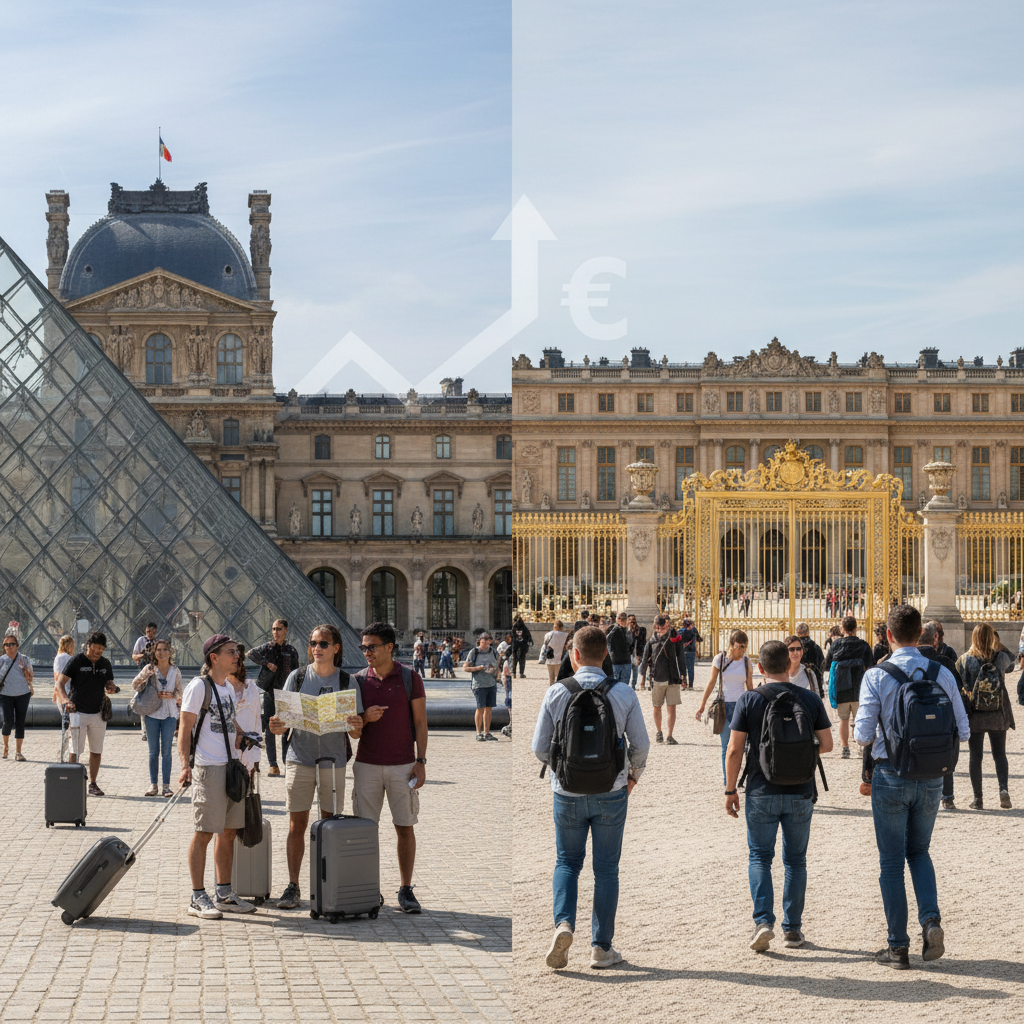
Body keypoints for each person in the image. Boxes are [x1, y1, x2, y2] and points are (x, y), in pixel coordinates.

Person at [854, 605, 970, 968]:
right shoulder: (942, 672)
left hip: (890, 774)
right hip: (933, 776)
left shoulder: (876, 675)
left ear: (888, 635)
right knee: (919, 852)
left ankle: (897, 947)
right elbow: (964, 730)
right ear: (922, 632)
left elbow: (861, 735)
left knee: (891, 862)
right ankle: (931, 921)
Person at [532, 625, 650, 970]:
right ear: (607, 656)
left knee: (567, 862)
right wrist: (631, 776)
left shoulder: (556, 692)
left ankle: (564, 924)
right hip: (611, 790)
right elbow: (641, 745)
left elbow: (539, 748)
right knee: (607, 869)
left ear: (575, 655)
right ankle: (601, 947)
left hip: (566, 791)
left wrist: (560, 772)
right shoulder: (624, 693)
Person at [725, 639, 833, 952]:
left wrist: (730, 789)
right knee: (796, 861)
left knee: (760, 856)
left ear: (760, 668)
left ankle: (763, 922)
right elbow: (826, 745)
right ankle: (793, 930)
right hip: (800, 789)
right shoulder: (810, 699)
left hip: (761, 788)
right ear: (789, 665)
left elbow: (734, 750)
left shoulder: (750, 699)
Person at [268, 624, 363, 910]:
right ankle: (293, 885)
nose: (317, 649)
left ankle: (327, 884)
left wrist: (357, 726)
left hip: (333, 762)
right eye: (313, 643)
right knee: (297, 825)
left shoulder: (348, 681)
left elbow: (356, 733)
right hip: (300, 758)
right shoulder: (296, 678)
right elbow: (280, 723)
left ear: (336, 648)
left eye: (323, 644)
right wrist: (275, 725)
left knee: (329, 825)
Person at [177, 634, 256, 919]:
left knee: (229, 832)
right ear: (214, 657)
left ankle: (224, 893)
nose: (237, 657)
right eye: (231, 652)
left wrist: (244, 738)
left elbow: (227, 721)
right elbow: (184, 728)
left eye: (236, 651)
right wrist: (185, 766)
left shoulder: (226, 688)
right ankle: (197, 896)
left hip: (230, 766)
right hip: (208, 768)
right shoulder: (199, 687)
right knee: (204, 832)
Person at [353, 622, 428, 914]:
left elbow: (421, 723)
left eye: (371, 647)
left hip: (403, 765)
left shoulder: (410, 678)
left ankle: (406, 889)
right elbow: (353, 732)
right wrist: (364, 720)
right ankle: (368, 888)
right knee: (365, 831)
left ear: (389, 648)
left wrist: (421, 762)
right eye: (363, 647)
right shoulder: (357, 680)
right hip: (366, 765)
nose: (366, 652)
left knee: (405, 827)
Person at [955, 624, 1015, 810]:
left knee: (975, 756)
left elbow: (961, 680)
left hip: (976, 714)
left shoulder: (965, 659)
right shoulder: (1001, 657)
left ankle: (978, 798)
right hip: (998, 712)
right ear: (992, 638)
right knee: (999, 754)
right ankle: (1003, 790)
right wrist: (999, 644)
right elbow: (1012, 665)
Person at [56, 631, 117, 796]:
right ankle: (72, 784)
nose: (98, 652)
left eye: (101, 650)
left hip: (98, 713)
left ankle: (93, 784)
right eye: (96, 648)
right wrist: (65, 701)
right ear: (88, 646)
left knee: (97, 750)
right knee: (75, 750)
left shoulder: (105, 663)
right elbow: (60, 684)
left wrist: (111, 687)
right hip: (78, 712)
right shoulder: (77, 661)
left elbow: (108, 681)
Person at [915, 622, 966, 810]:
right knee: (945, 757)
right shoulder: (945, 663)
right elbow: (958, 691)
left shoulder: (907, 661)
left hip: (916, 718)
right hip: (943, 718)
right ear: (935, 638)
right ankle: (947, 796)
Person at [696, 630, 754, 780]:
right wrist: (702, 705)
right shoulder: (719, 659)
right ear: (731, 644)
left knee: (740, 748)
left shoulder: (747, 662)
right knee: (726, 747)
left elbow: (750, 686)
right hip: (723, 706)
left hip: (742, 706)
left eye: (744, 647)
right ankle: (728, 781)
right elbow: (711, 682)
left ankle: (738, 777)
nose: (742, 650)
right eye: (739, 646)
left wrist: (755, 707)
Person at [247, 619, 301, 777]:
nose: (275, 632)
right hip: (271, 693)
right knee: (270, 730)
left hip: (287, 695)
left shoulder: (291, 650)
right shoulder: (268, 647)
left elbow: (297, 672)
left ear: (285, 630)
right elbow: (250, 653)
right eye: (273, 629)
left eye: (278, 629)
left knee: (287, 729)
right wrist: (267, 663)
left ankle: (286, 762)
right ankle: (273, 764)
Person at [132, 638, 182, 796]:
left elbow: (181, 692)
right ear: (154, 652)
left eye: (165, 649)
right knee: (153, 752)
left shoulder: (175, 671)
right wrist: (144, 677)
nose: (162, 653)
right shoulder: (150, 668)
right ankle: (153, 785)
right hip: (152, 713)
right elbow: (135, 684)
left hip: (169, 714)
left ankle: (166, 786)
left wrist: (172, 695)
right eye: (158, 650)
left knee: (167, 751)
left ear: (170, 652)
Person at [823, 616, 874, 759]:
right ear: (856, 628)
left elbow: (827, 665)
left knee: (843, 720)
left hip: (841, 688)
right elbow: (871, 666)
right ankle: (860, 747)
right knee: (859, 719)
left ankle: (845, 748)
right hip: (859, 688)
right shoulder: (863, 645)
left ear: (842, 629)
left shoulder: (836, 645)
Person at [639, 615, 686, 745]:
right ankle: (659, 732)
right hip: (657, 678)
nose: (660, 629)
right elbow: (644, 661)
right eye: (658, 627)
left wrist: (684, 675)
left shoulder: (674, 639)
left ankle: (670, 735)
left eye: (662, 627)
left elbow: (681, 657)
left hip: (672, 678)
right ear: (654, 627)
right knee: (657, 707)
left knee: (671, 708)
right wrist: (642, 678)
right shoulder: (651, 641)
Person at [1, 634, 34, 761]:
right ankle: (6, 747)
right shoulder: (1, 660)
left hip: (23, 694)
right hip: (6, 695)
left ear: (17, 645)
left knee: (20, 723)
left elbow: (30, 677)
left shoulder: (24, 659)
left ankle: (18, 752)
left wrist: (26, 672)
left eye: (11, 644)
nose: (8, 647)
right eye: (6, 644)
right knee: (8, 722)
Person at [464, 632, 501, 740]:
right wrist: (479, 668)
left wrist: (497, 674)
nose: (486, 641)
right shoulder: (474, 652)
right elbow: (465, 668)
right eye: (484, 639)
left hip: (491, 683)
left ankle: (487, 732)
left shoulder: (493, 652)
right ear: (480, 640)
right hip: (479, 684)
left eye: (488, 639)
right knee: (480, 708)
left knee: (489, 709)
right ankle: (478, 733)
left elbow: (497, 666)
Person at [131, 621, 158, 741]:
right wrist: (143, 655)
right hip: (143, 675)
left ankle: (153, 730)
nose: (150, 634)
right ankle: (144, 732)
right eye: (148, 631)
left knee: (155, 701)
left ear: (156, 631)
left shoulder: (158, 643)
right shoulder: (140, 641)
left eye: (152, 631)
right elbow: (134, 656)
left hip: (155, 675)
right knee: (143, 701)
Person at [53, 635, 75, 761]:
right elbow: (59, 677)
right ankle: (65, 755)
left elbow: (56, 678)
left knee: (67, 726)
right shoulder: (66, 658)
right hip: (67, 695)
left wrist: (55, 694)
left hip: (61, 696)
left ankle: (65, 755)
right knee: (68, 727)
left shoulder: (58, 657)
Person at [605, 612, 633, 687]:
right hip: (615, 661)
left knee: (624, 685)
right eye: (620, 619)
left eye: (624, 619)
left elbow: (630, 642)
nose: (622, 621)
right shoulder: (612, 629)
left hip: (626, 660)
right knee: (613, 685)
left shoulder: (627, 630)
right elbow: (607, 640)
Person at [678, 617, 703, 689]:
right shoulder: (694, 630)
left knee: (682, 668)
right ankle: (691, 684)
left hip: (682, 651)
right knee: (690, 668)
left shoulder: (680, 631)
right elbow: (699, 639)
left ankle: (683, 683)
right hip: (691, 651)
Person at [542, 620, 568, 686]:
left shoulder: (548, 634)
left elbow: (545, 646)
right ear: (562, 627)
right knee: (560, 678)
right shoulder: (565, 635)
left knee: (551, 679)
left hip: (550, 658)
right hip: (561, 659)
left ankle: (552, 690)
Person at [626, 615, 646, 690]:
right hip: (628, 653)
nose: (631, 621)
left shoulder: (641, 630)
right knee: (627, 670)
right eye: (630, 619)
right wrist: (630, 631)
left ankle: (633, 685)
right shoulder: (625, 631)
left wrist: (640, 654)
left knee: (635, 670)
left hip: (636, 653)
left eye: (633, 619)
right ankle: (627, 685)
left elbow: (642, 642)